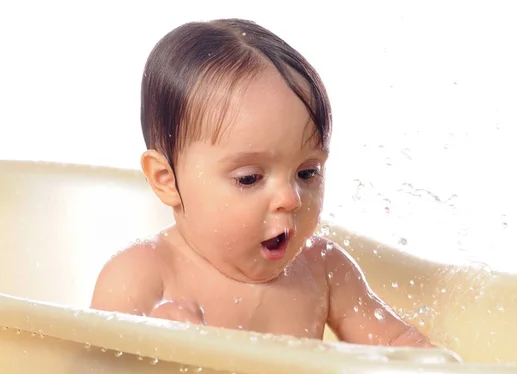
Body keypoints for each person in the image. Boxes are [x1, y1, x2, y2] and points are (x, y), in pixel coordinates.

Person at [91, 18, 433, 348]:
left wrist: (442, 370)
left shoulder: (324, 270)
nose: (291, 198)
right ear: (167, 181)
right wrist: (154, 356)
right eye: (250, 178)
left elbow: (398, 346)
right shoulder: (141, 278)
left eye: (307, 172)